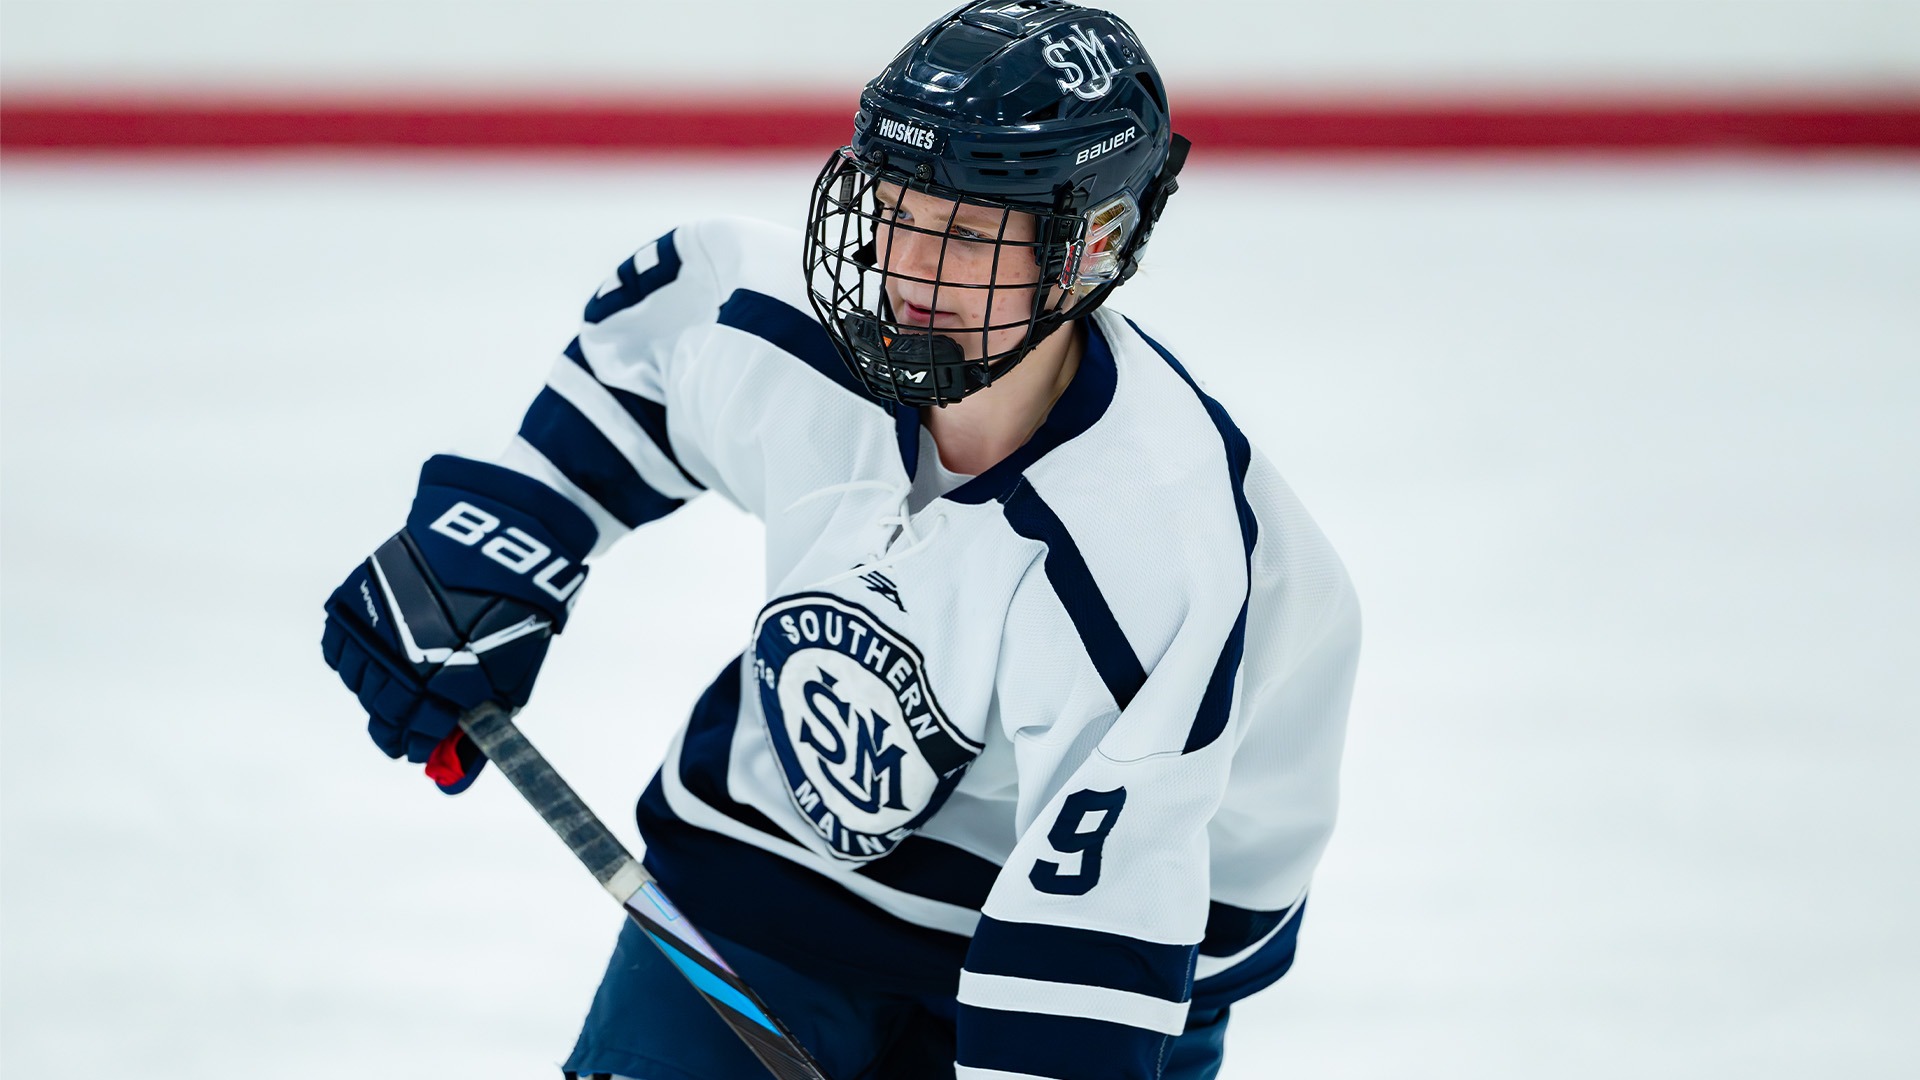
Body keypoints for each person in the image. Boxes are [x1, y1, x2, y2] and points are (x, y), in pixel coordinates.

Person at [320, 2, 1360, 1077]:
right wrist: (506, 537)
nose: (906, 269)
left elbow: (1091, 950)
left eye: (966, 234)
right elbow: (663, 340)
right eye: (895, 211)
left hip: (1109, 945)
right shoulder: (795, 335)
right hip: (769, 871)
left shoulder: (1153, 552)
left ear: (1090, 247)